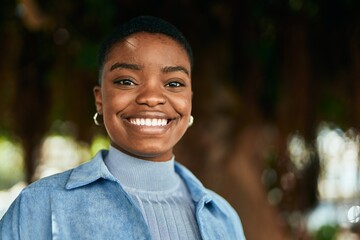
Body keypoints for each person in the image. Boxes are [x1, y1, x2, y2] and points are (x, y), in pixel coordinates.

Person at [0, 15, 246, 239]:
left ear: (190, 99)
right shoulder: (40, 205)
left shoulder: (222, 218)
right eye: (126, 81)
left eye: (173, 83)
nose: (151, 97)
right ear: (100, 99)